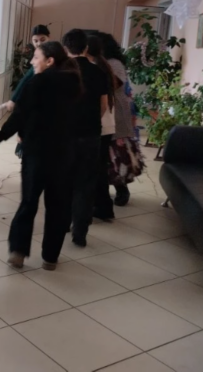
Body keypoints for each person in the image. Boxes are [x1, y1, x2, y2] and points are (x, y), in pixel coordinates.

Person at [0, 42, 81, 270]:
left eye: (36, 57)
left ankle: (18, 252)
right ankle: (50, 257)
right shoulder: (75, 83)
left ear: (50, 61)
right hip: (65, 153)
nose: (32, 61)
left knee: (29, 202)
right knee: (57, 206)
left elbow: (19, 115)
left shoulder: (38, 81)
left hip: (37, 152)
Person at [62, 29, 109, 247]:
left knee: (63, 181)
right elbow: (103, 105)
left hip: (64, 135)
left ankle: (62, 223)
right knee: (85, 183)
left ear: (66, 48)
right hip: (91, 134)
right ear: (86, 47)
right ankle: (80, 232)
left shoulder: (61, 70)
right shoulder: (98, 71)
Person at [97, 32, 145, 206]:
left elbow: (114, 83)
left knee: (117, 153)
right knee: (103, 155)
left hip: (116, 111)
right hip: (102, 111)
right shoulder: (98, 62)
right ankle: (102, 191)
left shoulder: (115, 63)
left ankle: (121, 188)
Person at [86, 36, 120, 221]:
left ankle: (102, 207)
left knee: (96, 169)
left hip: (99, 126)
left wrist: (92, 123)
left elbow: (102, 104)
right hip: (106, 126)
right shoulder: (102, 65)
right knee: (99, 168)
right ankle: (103, 207)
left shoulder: (95, 68)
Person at [0, 24, 51, 114]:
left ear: (49, 37)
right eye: (35, 41)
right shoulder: (38, 53)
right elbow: (26, 78)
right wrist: (13, 100)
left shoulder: (53, 53)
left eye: (42, 40)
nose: (39, 44)